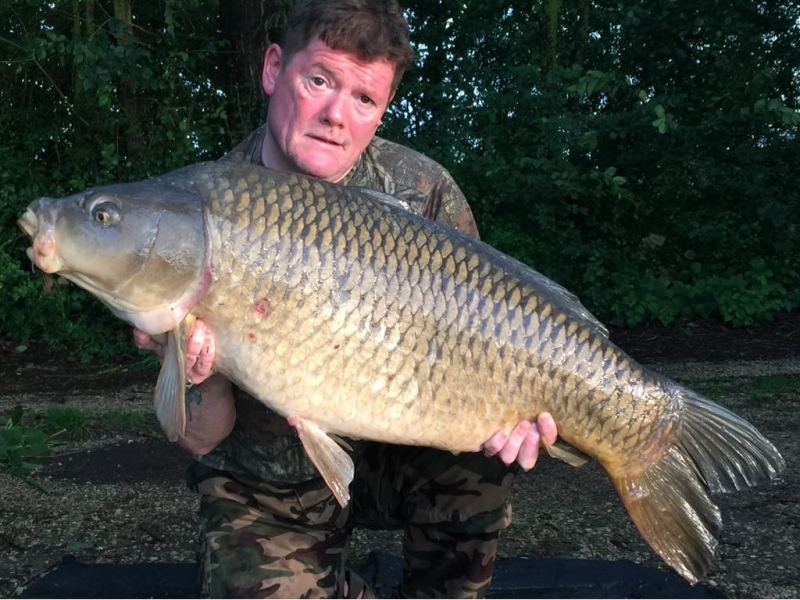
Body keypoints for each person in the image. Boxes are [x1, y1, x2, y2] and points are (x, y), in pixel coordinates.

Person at [134, 0, 558, 597]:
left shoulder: (423, 192)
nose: (337, 115)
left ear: (383, 108)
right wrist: (191, 367)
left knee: (484, 458)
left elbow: (490, 334)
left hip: (399, 457)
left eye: (365, 99)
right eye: (319, 80)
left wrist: (509, 411)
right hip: (269, 480)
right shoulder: (195, 210)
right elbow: (203, 438)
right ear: (273, 68)